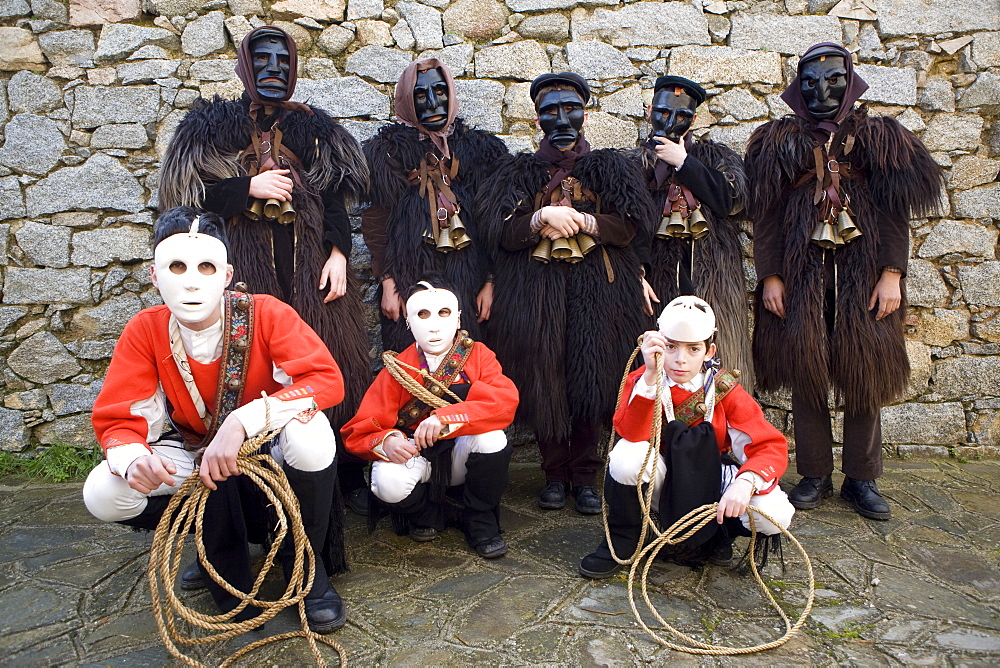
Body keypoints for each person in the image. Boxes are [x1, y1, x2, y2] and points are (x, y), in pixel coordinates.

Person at [83, 207, 349, 633]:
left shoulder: (267, 312)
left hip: (268, 450)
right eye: (176, 267)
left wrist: (242, 421)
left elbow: (324, 380)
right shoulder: (145, 330)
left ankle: (306, 564)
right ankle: (216, 552)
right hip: (193, 450)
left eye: (205, 267)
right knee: (103, 491)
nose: (191, 280)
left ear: (226, 275)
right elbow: (119, 418)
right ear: (155, 276)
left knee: (311, 433)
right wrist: (134, 460)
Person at [157, 25, 372, 513]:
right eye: (263, 59)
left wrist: (338, 254)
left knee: (329, 362)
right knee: (250, 370)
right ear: (244, 66)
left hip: (311, 270)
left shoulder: (314, 127)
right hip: (245, 271)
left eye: (283, 60)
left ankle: (335, 475)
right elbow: (185, 198)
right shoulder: (211, 125)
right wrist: (246, 189)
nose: (274, 68)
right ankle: (248, 488)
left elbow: (336, 195)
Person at [746, 42, 943, 520]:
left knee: (865, 374)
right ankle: (813, 473)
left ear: (850, 80)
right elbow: (766, 216)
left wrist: (892, 273)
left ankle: (862, 477)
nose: (822, 90)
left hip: (865, 276)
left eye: (833, 79)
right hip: (800, 275)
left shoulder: (880, 137)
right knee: (807, 371)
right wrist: (771, 275)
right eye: (810, 82)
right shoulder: (777, 141)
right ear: (798, 86)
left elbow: (897, 210)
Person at [480, 72, 653, 515]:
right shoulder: (518, 172)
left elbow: (634, 227)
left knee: (591, 379)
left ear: (585, 113)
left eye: (569, 108)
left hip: (600, 292)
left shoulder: (611, 168)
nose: (561, 118)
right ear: (537, 118)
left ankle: (586, 476)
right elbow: (497, 233)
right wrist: (539, 220)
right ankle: (554, 475)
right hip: (536, 290)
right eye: (550, 110)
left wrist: (593, 223)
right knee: (545, 377)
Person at [579, 296, 794, 579]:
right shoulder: (642, 380)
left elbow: (769, 446)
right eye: (671, 347)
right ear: (657, 343)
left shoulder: (725, 391)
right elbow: (630, 434)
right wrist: (651, 377)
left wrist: (745, 483)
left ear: (709, 350)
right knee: (625, 457)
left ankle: (720, 535)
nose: (680, 359)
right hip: (662, 478)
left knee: (775, 513)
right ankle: (622, 539)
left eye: (693, 349)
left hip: (710, 475)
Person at [341, 281, 519, 559]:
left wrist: (447, 416)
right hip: (418, 455)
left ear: (459, 317)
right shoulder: (397, 368)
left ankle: (480, 521)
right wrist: (387, 441)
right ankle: (427, 514)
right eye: (422, 315)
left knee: (492, 439)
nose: (434, 326)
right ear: (409, 323)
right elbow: (358, 431)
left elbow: (505, 402)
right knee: (386, 482)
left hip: (462, 450)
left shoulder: (480, 356)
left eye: (444, 313)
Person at [361, 59, 509, 353]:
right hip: (407, 279)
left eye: (440, 92)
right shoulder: (387, 153)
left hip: (473, 280)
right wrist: (388, 281)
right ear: (406, 100)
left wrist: (491, 282)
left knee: (472, 362)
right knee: (413, 364)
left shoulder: (482, 152)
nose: (432, 103)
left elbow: (496, 222)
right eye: (420, 95)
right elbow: (377, 221)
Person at [629, 75, 753, 387]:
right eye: (662, 112)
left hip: (712, 277)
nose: (670, 121)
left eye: (682, 116)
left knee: (718, 365)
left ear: (695, 120)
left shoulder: (715, 157)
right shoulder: (632, 164)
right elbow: (623, 222)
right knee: (657, 365)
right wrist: (636, 271)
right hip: (654, 276)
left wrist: (684, 162)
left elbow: (734, 200)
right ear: (649, 111)